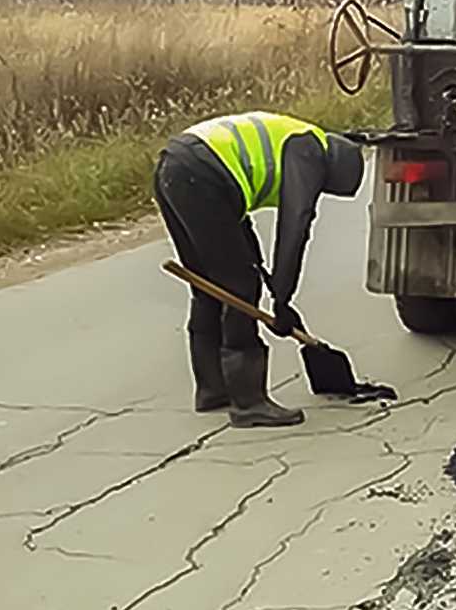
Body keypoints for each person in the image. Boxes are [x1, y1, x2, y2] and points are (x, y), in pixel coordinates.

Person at [154, 111, 365, 427]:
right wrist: (281, 299)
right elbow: (296, 225)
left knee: (208, 283)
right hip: (201, 174)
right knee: (239, 286)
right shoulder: (309, 153)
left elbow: (239, 222)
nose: (318, 190)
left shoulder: (296, 137)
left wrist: (269, 280)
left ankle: (213, 389)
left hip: (177, 166)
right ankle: (249, 402)